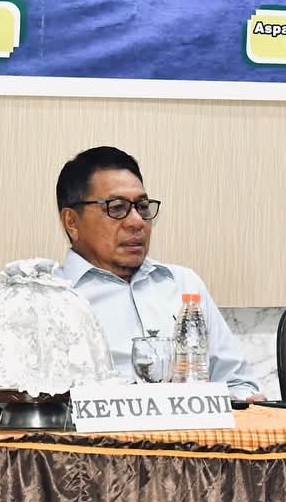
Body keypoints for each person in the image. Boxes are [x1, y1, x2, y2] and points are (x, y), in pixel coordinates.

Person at [53, 146, 260, 397]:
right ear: (72, 222)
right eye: (116, 208)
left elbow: (239, 385)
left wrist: (241, 401)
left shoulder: (183, 285)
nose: (137, 222)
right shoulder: (50, 299)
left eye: (142, 207)